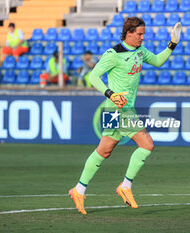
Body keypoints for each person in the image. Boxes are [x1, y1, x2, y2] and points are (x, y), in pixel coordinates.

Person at [68, 17, 182, 215]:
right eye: (139, 34)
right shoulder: (113, 54)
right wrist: (110, 93)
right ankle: (125, 186)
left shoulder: (139, 51)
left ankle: (78, 190)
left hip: (122, 109)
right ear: (128, 33)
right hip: (117, 109)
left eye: (143, 34)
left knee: (103, 151)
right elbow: (93, 77)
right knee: (147, 144)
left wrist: (172, 44)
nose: (142, 37)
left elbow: (157, 61)